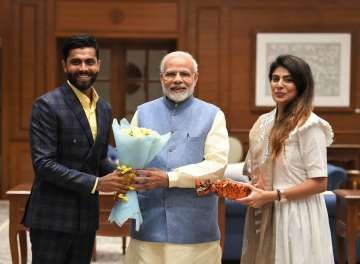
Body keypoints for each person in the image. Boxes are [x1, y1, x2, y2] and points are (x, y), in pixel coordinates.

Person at [22, 34, 130, 264]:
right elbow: (44, 165)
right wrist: (98, 184)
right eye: (76, 62)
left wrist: (123, 175)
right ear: (64, 65)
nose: (83, 68)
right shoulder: (46, 105)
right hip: (52, 217)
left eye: (89, 62)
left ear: (99, 65)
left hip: (86, 218)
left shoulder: (104, 108)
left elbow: (98, 158)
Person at [124, 51, 229, 264]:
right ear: (162, 78)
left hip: (194, 228)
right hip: (148, 225)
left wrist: (170, 178)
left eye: (185, 74)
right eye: (171, 74)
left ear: (195, 78)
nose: (178, 79)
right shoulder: (142, 113)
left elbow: (217, 166)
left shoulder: (212, 115)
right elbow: (129, 161)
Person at [237, 55, 334, 264]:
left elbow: (320, 182)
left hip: (297, 214)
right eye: (275, 78)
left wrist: (274, 195)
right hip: (265, 208)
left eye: (288, 79)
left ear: (301, 84)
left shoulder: (309, 125)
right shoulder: (263, 122)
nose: (279, 85)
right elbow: (254, 171)